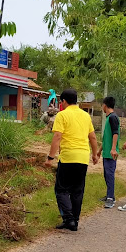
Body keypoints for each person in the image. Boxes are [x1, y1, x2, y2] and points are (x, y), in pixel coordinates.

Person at [45, 88, 100, 231]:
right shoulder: (85, 116)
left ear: (63, 101)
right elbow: (92, 137)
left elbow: (57, 137)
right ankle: (74, 221)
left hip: (68, 157)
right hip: (82, 158)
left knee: (61, 189)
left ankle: (68, 219)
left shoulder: (62, 115)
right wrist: (94, 154)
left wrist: (50, 157)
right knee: (77, 191)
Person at [96, 96, 120, 209]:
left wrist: (113, 149)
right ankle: (109, 195)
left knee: (110, 175)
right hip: (106, 152)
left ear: (105, 105)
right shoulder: (109, 118)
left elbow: (115, 133)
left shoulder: (113, 118)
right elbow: (107, 138)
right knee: (106, 174)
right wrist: (99, 151)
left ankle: (111, 199)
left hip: (111, 153)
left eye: (102, 105)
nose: (102, 107)